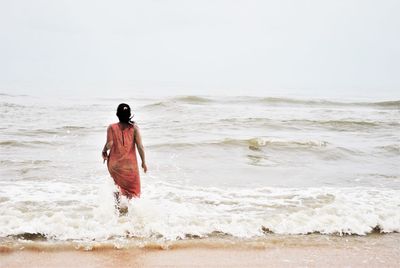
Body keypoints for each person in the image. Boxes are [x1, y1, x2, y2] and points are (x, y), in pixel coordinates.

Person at [102, 103, 147, 214]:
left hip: (115, 165)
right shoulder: (134, 128)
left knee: (117, 188)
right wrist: (143, 162)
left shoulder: (111, 127)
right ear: (129, 114)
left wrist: (104, 151)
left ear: (117, 114)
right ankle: (129, 215)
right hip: (130, 167)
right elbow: (140, 146)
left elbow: (109, 144)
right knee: (132, 193)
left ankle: (117, 211)